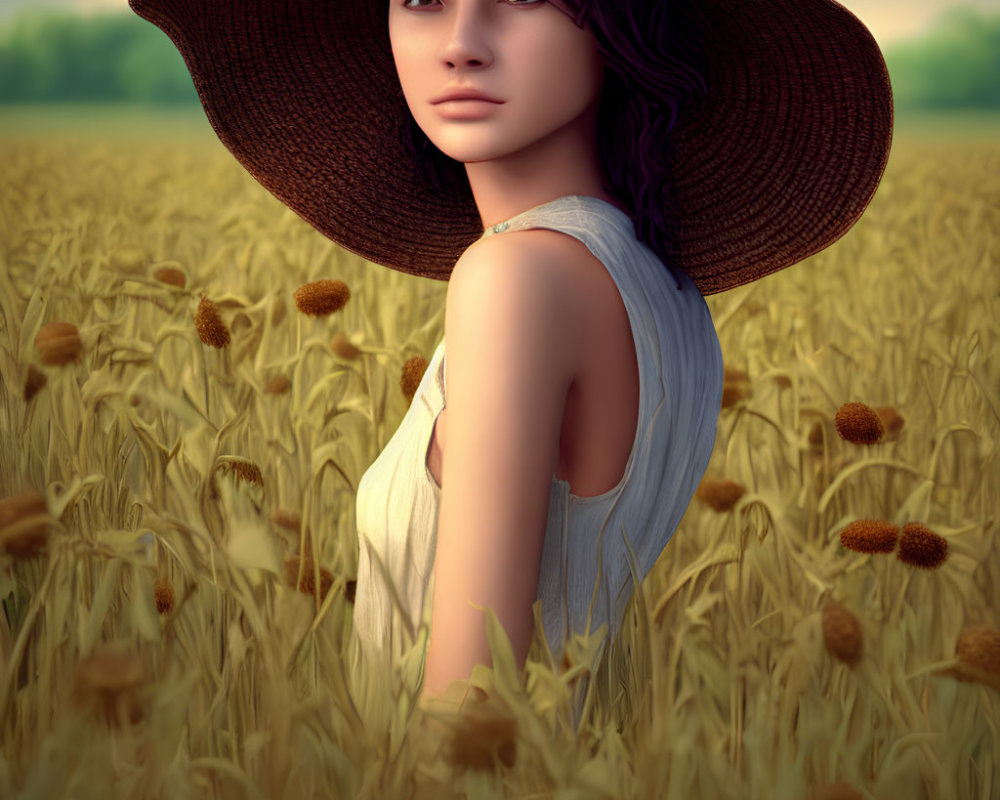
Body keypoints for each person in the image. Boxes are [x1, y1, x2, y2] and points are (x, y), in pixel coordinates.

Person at [129, 0, 893, 727]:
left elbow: (468, 717)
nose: (461, 40)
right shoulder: (665, 287)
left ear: (614, 21)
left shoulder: (515, 281)